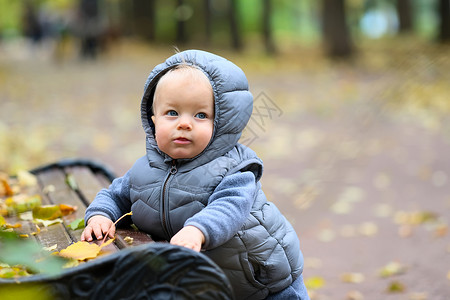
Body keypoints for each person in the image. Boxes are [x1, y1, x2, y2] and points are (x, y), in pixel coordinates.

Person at [81, 49, 309, 299]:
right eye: (172, 113)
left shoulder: (234, 168)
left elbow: (230, 207)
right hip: (210, 282)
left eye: (200, 115)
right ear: (153, 118)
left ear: (219, 124)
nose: (184, 123)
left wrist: (197, 230)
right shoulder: (144, 170)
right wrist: (101, 216)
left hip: (265, 278)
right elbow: (114, 195)